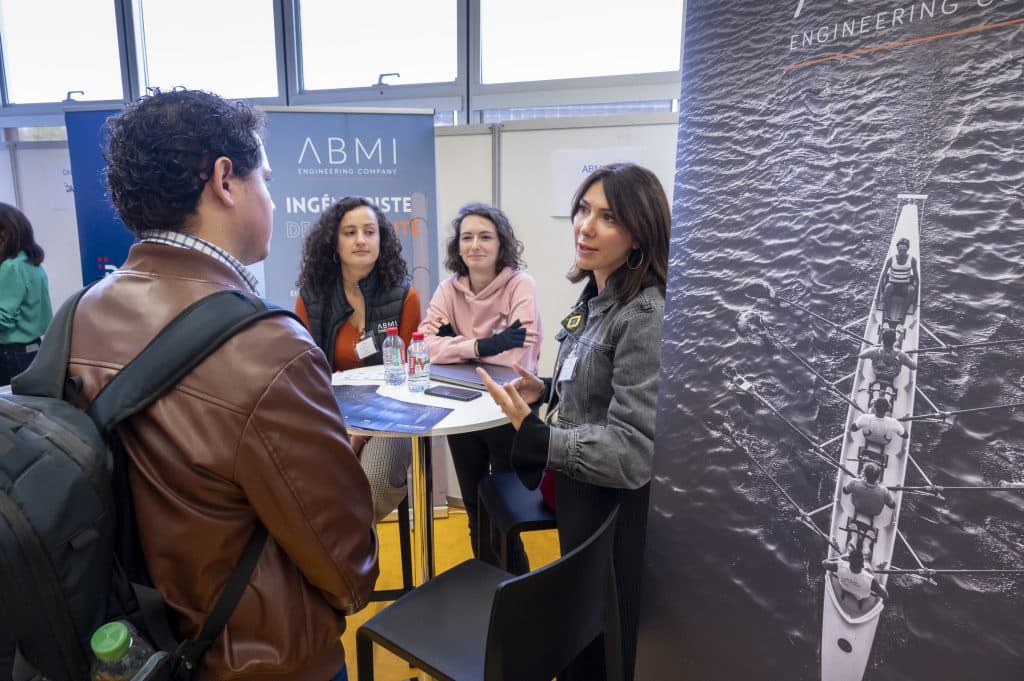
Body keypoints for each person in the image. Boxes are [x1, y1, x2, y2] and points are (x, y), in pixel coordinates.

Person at [67, 89, 377, 681]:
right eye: (267, 178)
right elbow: (348, 567)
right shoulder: (266, 347)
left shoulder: (78, 317)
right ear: (225, 181)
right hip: (264, 659)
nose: (273, 197)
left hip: (133, 644)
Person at [478, 163, 669, 681]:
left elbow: (632, 453)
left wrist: (539, 435)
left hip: (610, 509)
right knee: (582, 637)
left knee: (604, 647)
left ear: (638, 235)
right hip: (578, 496)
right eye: (583, 209)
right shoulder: (598, 296)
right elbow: (598, 388)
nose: (585, 225)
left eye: (608, 217)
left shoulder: (644, 315)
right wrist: (548, 390)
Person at [418, 202, 541, 574]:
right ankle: (485, 586)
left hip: (509, 407)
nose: (475, 245)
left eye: (485, 236)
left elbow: (517, 353)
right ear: (457, 247)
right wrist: (482, 346)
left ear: (501, 244)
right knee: (473, 504)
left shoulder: (521, 285)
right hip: (462, 406)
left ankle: (515, 591)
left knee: (505, 508)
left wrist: (454, 343)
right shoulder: (447, 290)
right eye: (467, 237)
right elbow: (424, 346)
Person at [295, 197, 421, 521]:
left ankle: (350, 565)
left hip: (391, 418)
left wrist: (362, 432)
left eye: (369, 231)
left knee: (368, 491)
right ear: (334, 241)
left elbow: (406, 377)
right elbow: (306, 375)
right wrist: (341, 428)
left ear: (383, 240)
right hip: (330, 416)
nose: (361, 240)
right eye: (350, 232)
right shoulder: (310, 298)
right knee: (305, 487)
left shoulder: (405, 296)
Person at [0, 203, 52, 386]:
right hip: (32, 349)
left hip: (9, 354)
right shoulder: (30, 263)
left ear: (4, 234)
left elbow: (2, 318)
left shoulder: (11, 267)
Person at [823, 547, 889, 601]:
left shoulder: (840, 565)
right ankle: (878, 568)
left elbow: (824, 563)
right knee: (869, 567)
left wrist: (840, 558)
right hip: (860, 596)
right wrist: (873, 577)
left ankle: (853, 541)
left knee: (850, 547)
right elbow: (885, 596)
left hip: (844, 586)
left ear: (849, 560)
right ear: (862, 565)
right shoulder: (870, 579)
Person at [877, 237, 918, 326]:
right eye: (900, 250)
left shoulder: (912, 260)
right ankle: (888, 317)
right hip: (893, 285)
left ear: (908, 249)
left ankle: (901, 316)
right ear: (897, 249)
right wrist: (881, 293)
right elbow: (883, 276)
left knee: (911, 290)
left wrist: (915, 296)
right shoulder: (891, 260)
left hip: (904, 286)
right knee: (888, 287)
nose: (902, 252)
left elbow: (916, 278)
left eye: (904, 250)